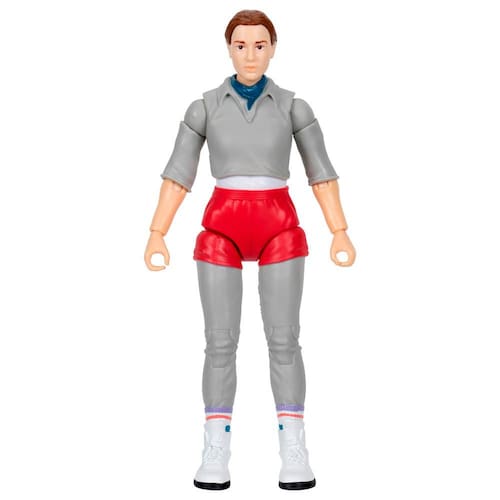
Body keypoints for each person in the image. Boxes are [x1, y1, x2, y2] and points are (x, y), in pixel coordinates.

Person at [144, 9, 356, 491]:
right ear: (229, 49)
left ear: (273, 48)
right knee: (220, 342)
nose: (250, 55)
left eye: (260, 45)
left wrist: (339, 230)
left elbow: (321, 172)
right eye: (241, 45)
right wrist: (158, 231)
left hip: (279, 225)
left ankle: (293, 445)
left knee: (284, 340)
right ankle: (215, 447)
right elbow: (178, 174)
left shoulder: (293, 107)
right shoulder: (204, 107)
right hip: (221, 227)